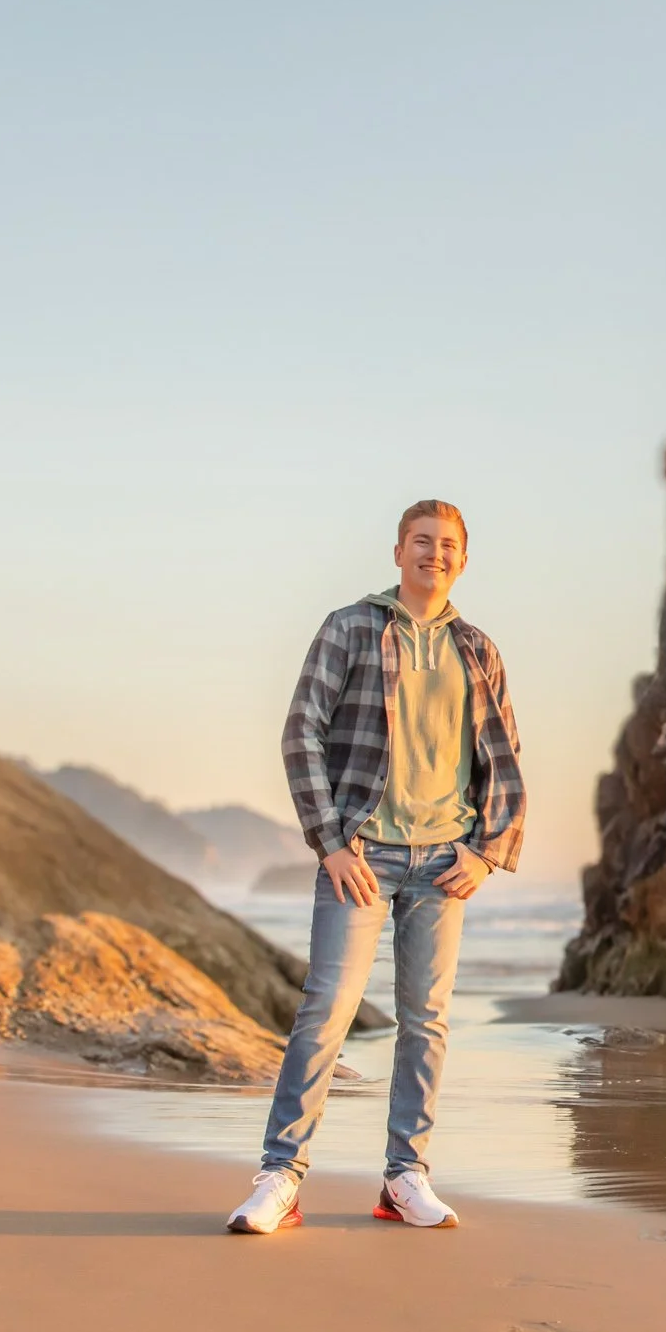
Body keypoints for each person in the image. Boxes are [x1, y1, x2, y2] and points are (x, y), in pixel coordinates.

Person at [227, 499, 525, 1234]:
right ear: (398, 552)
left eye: (448, 544)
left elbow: (505, 758)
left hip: (444, 861)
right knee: (327, 1010)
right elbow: (301, 733)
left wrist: (486, 852)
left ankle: (405, 1178)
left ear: (463, 559)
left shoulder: (478, 649)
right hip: (361, 855)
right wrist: (329, 841)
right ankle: (280, 1177)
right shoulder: (351, 628)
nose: (434, 553)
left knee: (425, 1022)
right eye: (421, 541)